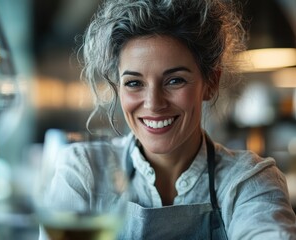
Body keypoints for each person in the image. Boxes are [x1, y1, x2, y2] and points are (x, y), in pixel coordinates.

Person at [39, 0, 296, 239]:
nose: (153, 103)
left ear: (210, 83)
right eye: (134, 83)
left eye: (175, 80)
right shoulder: (85, 170)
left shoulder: (248, 181)